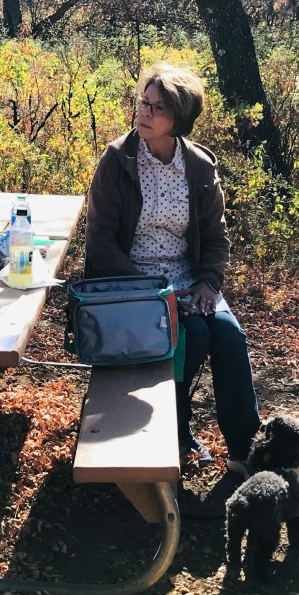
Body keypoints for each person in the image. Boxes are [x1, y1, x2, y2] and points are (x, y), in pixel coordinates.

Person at [84, 63, 260, 476]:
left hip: (188, 280)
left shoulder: (198, 166)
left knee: (229, 335)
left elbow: (215, 237)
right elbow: (100, 242)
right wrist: (157, 291)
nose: (144, 113)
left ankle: (246, 452)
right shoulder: (118, 160)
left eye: (157, 107)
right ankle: (174, 432)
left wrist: (208, 283)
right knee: (191, 335)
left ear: (179, 118)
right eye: (143, 103)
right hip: (135, 283)